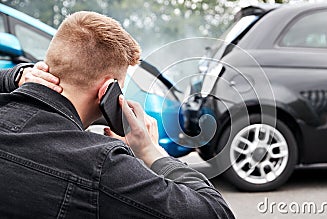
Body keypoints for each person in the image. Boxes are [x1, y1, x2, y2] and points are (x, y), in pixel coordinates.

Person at [0, 11, 235, 218]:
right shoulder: (100, 163)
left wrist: (13, 77)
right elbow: (214, 212)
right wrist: (152, 152)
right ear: (107, 91)